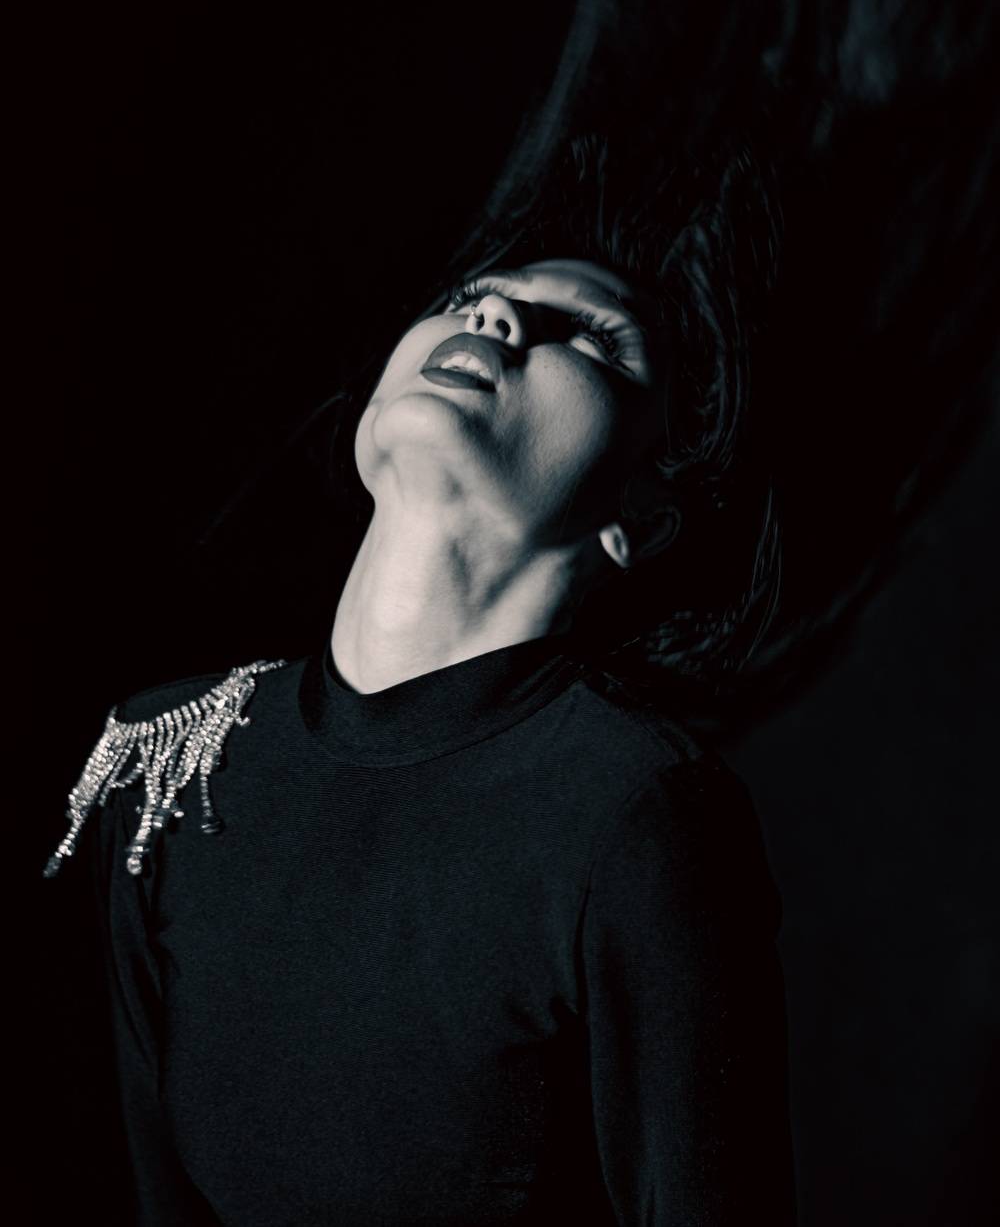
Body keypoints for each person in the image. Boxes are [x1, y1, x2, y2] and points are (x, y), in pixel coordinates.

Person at [46, 225, 798, 1223]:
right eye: (470, 296)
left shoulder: (636, 811)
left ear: (642, 515)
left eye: (589, 337)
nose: (495, 314)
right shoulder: (175, 758)